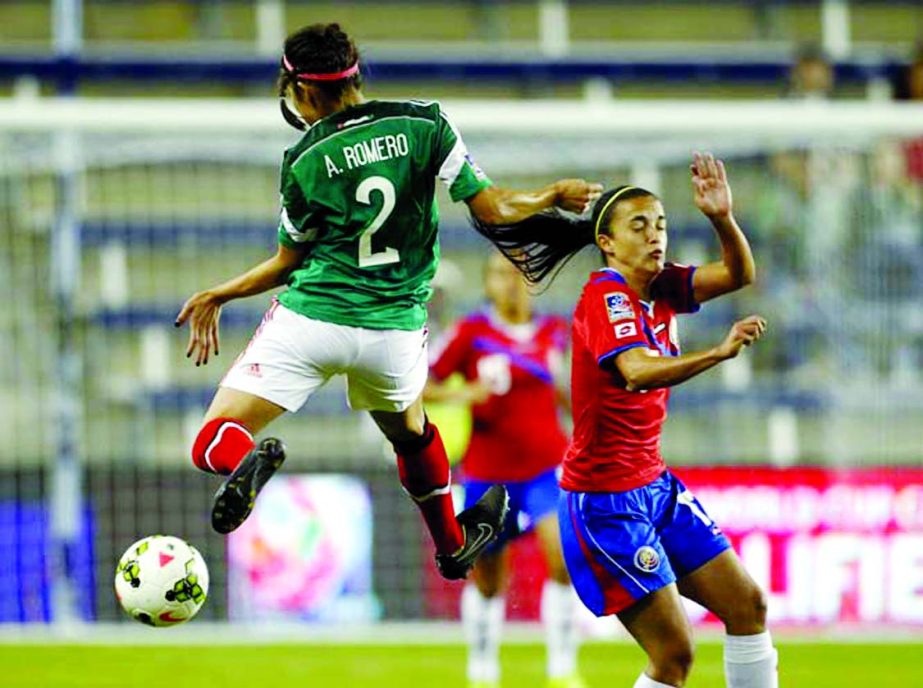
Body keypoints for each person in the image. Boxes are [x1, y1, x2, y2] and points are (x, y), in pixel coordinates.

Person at [173, 22, 601, 581]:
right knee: (413, 436)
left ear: (301, 91)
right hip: (394, 334)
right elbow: (492, 208)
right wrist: (550, 195)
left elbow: (288, 261)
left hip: (315, 319)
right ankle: (450, 544)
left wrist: (219, 293)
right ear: (355, 72)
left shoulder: (303, 160)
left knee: (210, 440)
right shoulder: (425, 122)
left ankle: (243, 462)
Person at [472, 152, 776, 687]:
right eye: (639, 226)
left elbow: (738, 274)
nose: (655, 235)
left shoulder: (661, 288)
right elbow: (636, 372)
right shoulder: (604, 296)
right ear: (608, 243)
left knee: (747, 606)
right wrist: (717, 353)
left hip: (654, 486)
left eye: (660, 224)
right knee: (674, 657)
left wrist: (721, 217)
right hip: (605, 502)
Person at [425, 252, 582, 688]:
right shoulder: (471, 334)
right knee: (490, 581)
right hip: (488, 474)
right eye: (499, 274)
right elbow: (423, 386)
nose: (510, 282)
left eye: (517, 274)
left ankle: (562, 668)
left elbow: (564, 394)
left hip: (546, 468)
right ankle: (482, 665)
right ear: (487, 283)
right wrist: (469, 393)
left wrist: (584, 420)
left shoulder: (554, 332)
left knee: (562, 558)